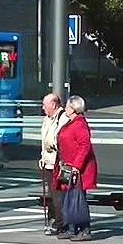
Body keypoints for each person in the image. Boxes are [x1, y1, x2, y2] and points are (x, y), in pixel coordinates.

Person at [55, 95, 97, 242]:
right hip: (68, 166)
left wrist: (76, 166)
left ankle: (84, 228)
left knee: (77, 198)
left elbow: (84, 146)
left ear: (74, 108)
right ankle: (71, 227)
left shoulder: (79, 124)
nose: (65, 108)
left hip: (78, 169)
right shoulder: (70, 122)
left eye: (67, 106)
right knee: (69, 197)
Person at [38, 93, 67, 236]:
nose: (43, 108)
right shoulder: (47, 119)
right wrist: (43, 157)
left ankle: (60, 223)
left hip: (57, 163)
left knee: (58, 195)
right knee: (52, 195)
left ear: (54, 105)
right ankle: (55, 221)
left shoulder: (62, 118)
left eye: (45, 105)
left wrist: (52, 145)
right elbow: (44, 140)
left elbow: (61, 139)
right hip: (48, 161)